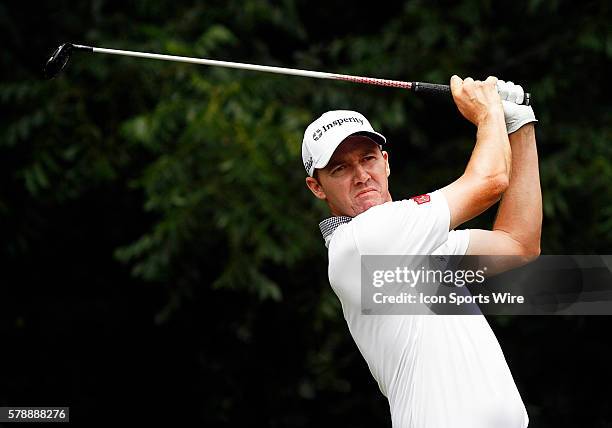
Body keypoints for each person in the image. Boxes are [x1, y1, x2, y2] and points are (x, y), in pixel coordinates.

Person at [302, 76, 541, 428]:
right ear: (316, 187)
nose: (361, 175)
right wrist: (488, 111)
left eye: (368, 159)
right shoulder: (361, 241)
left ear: (386, 162)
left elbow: (518, 244)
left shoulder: (417, 240)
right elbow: (489, 182)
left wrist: (519, 124)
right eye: (339, 168)